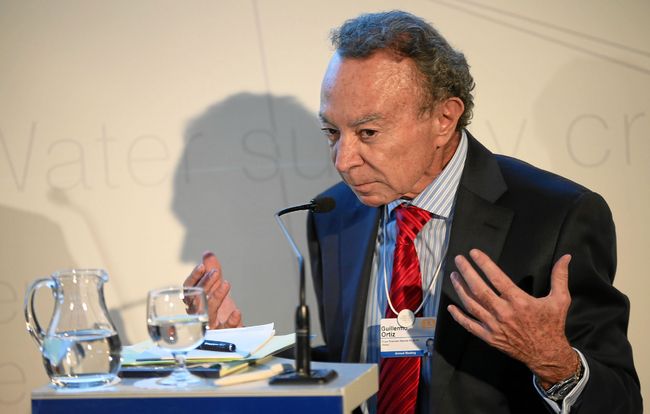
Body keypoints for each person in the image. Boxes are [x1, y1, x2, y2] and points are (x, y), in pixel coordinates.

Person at [185, 10, 641, 414]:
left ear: (444, 119)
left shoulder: (557, 217)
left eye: (367, 132)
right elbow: (352, 364)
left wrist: (555, 362)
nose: (343, 161)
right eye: (332, 133)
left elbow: (621, 401)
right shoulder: (334, 215)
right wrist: (236, 350)